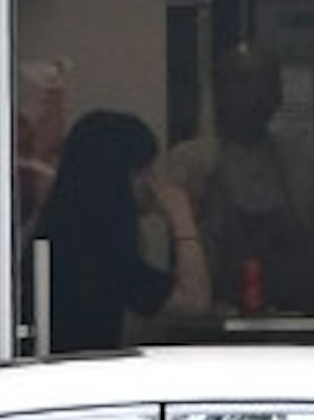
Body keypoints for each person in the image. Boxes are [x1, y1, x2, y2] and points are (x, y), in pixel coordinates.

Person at [167, 40, 314, 320]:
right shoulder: (190, 162)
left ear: (279, 96)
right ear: (220, 92)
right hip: (213, 331)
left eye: (268, 83)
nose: (258, 94)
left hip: (298, 325)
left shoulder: (305, 160)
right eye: (243, 82)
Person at [39, 106, 209, 355]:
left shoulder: (64, 231)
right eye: (147, 171)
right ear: (122, 176)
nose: (153, 183)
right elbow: (194, 300)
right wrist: (181, 217)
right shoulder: (96, 249)